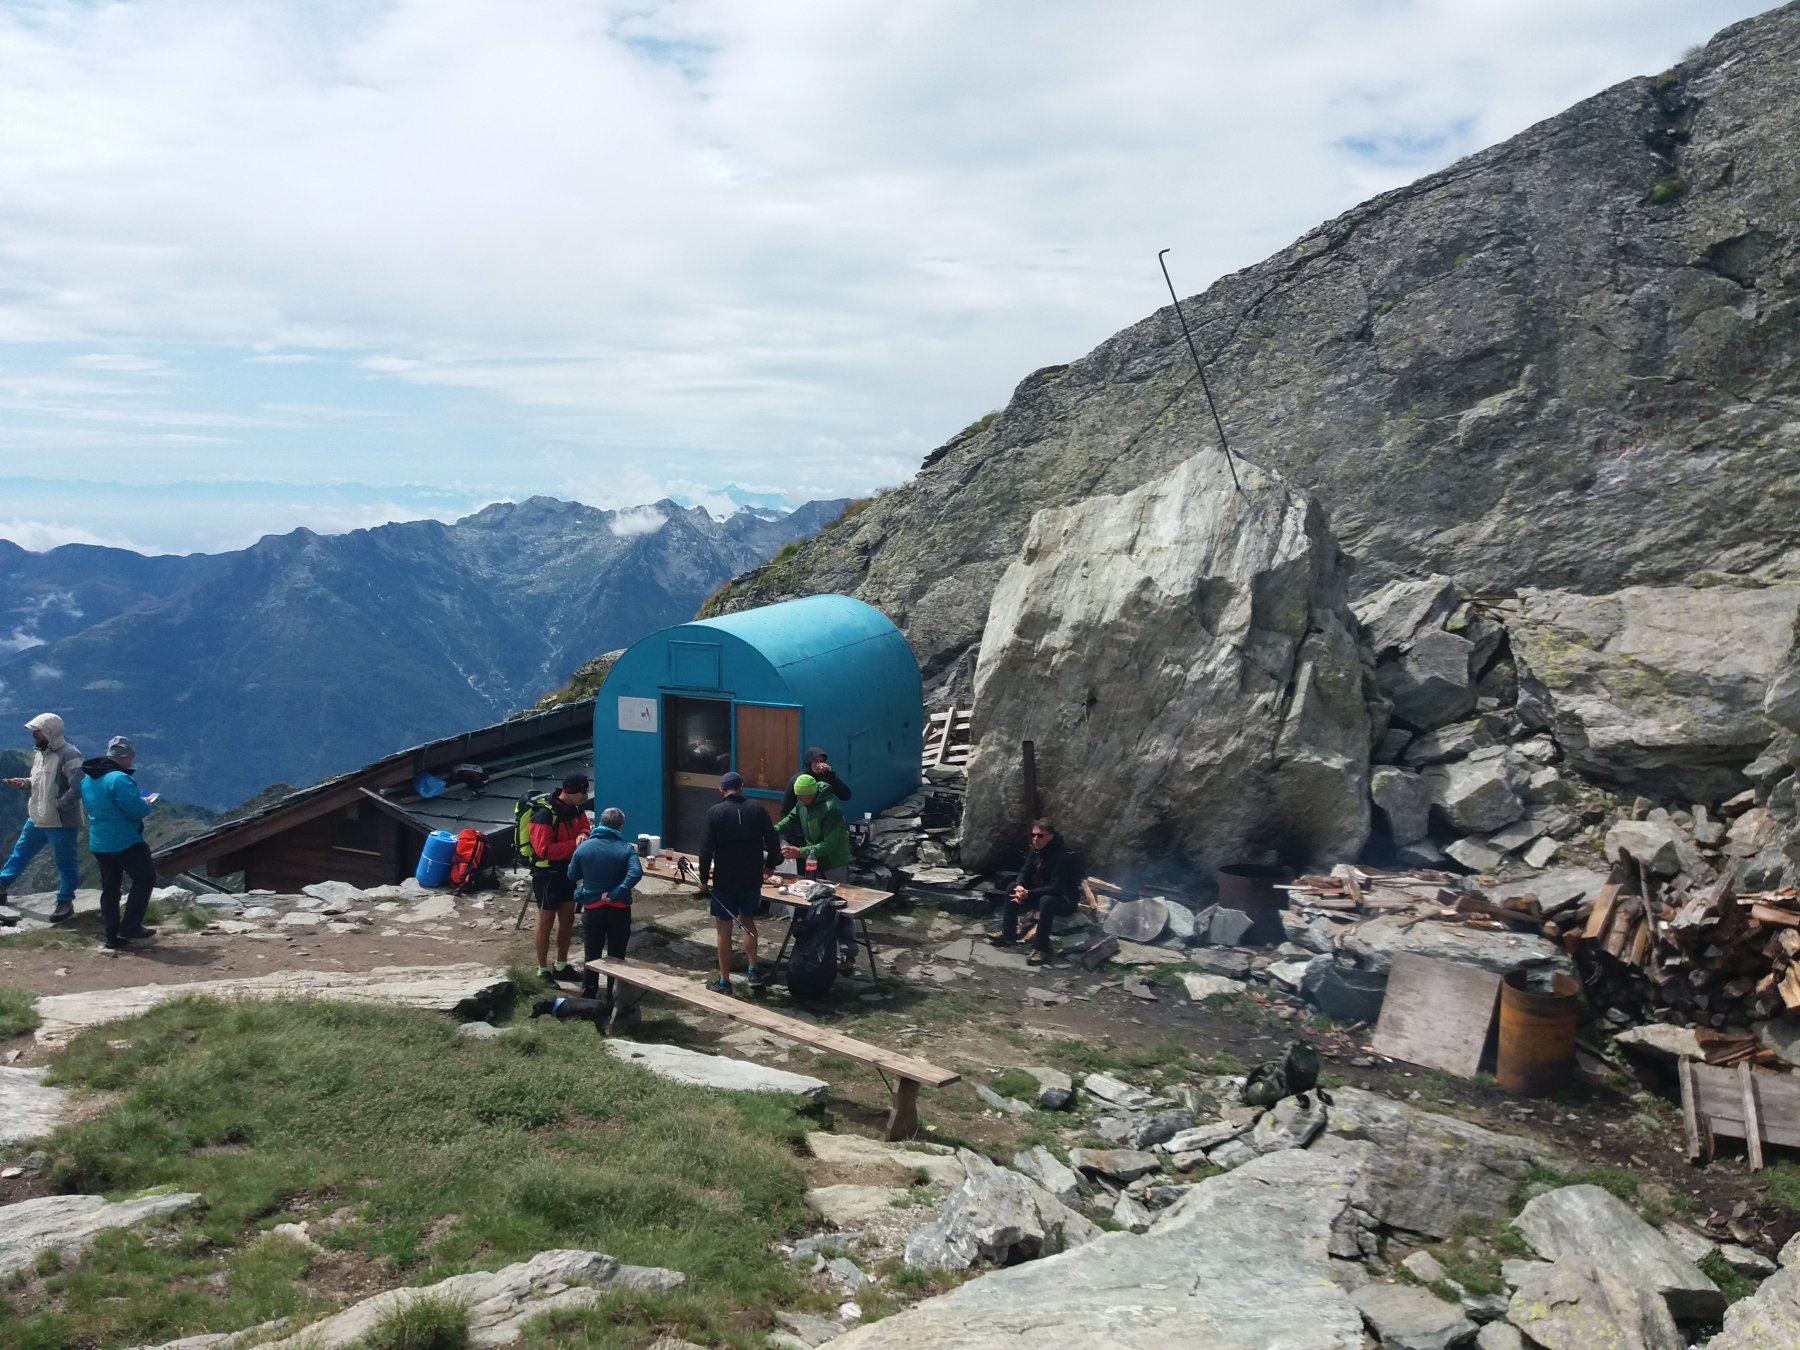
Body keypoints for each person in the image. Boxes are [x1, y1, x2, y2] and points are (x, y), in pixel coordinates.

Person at [697, 770, 782, 994]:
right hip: (751, 876)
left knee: (723, 930)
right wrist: (772, 864)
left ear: (721, 790)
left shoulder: (715, 812)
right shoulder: (757, 809)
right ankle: (753, 969)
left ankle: (725, 981)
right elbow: (772, 839)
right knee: (747, 921)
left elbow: (706, 850)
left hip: (725, 878)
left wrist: (703, 879)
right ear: (742, 786)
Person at [0, 713, 85, 921]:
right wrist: (25, 783)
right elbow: (38, 780)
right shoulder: (40, 753)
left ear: (50, 731)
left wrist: (58, 806)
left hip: (61, 820)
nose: (34, 735)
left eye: (37, 731)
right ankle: (1, 886)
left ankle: (65, 902)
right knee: (20, 853)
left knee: (65, 863)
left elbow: (78, 786)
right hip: (38, 814)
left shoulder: (70, 754)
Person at [80, 735, 158, 951]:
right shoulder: (119, 779)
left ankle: (111, 935)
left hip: (99, 842)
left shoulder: (88, 779)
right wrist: (146, 804)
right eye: (130, 758)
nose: (131, 763)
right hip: (125, 841)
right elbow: (135, 810)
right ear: (123, 758)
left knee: (110, 888)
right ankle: (131, 926)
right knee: (145, 878)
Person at [776, 773, 857, 970]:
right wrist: (772, 830)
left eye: (803, 797)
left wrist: (799, 852)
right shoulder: (801, 804)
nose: (800, 800)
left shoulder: (831, 809)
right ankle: (811, 947)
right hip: (814, 860)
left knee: (841, 908)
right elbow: (790, 819)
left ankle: (848, 953)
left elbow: (829, 845)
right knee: (809, 902)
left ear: (813, 794)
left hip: (833, 861)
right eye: (798, 797)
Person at [568, 806, 643, 1016]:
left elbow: (572, 874)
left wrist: (588, 888)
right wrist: (619, 890)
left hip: (592, 907)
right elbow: (636, 872)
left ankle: (588, 994)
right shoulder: (625, 848)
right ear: (620, 826)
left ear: (599, 823)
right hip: (618, 908)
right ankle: (613, 997)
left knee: (592, 952)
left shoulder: (584, 848)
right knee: (617, 954)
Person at [989, 818, 1084, 966]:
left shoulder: (1063, 857)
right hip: (1039, 893)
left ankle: (1041, 948)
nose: (1035, 839)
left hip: (1063, 900)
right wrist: (1020, 886)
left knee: (1047, 900)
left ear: (1051, 836)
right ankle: (1008, 934)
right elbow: (1024, 870)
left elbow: (1057, 887)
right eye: (1033, 835)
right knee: (1012, 887)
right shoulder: (1036, 851)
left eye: (1040, 836)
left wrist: (1029, 894)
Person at [528, 772, 591, 985]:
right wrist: (575, 844)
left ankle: (561, 965)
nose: (585, 795)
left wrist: (583, 834)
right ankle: (542, 969)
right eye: (582, 792)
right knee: (546, 921)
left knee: (567, 919)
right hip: (547, 874)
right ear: (569, 791)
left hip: (568, 872)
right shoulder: (544, 815)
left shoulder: (575, 808)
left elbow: (585, 826)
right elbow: (543, 850)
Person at [780, 747, 852, 826]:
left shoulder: (826, 778)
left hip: (824, 827)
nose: (818, 764)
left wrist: (832, 776)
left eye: (821, 761)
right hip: (802, 829)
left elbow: (846, 795)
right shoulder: (798, 780)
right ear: (808, 763)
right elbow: (786, 809)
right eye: (815, 761)